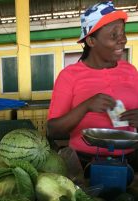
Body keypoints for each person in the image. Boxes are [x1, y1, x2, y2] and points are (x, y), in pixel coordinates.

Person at [47, 1, 138, 170]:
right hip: (84, 164)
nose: (123, 39)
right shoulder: (69, 76)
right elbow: (53, 130)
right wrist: (86, 106)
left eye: (123, 33)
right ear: (91, 41)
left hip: (132, 160)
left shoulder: (131, 71)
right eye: (113, 35)